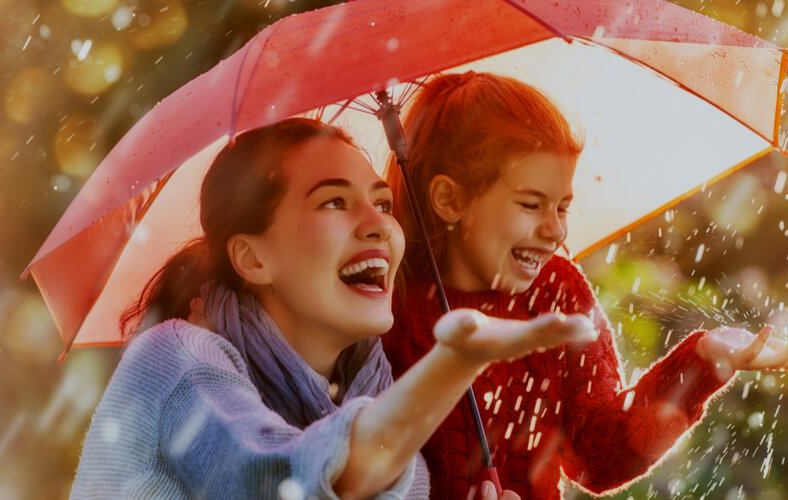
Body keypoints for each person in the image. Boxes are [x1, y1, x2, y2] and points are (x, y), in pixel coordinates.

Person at [70, 118, 594, 499]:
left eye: (383, 204)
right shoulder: (176, 361)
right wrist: (455, 363)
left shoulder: (371, 388)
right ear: (253, 258)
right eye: (334, 202)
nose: (378, 225)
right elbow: (278, 482)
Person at [382, 72, 788, 498]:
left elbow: (599, 457)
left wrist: (702, 361)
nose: (555, 231)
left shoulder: (557, 294)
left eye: (563, 207)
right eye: (531, 205)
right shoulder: (389, 310)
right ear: (450, 200)